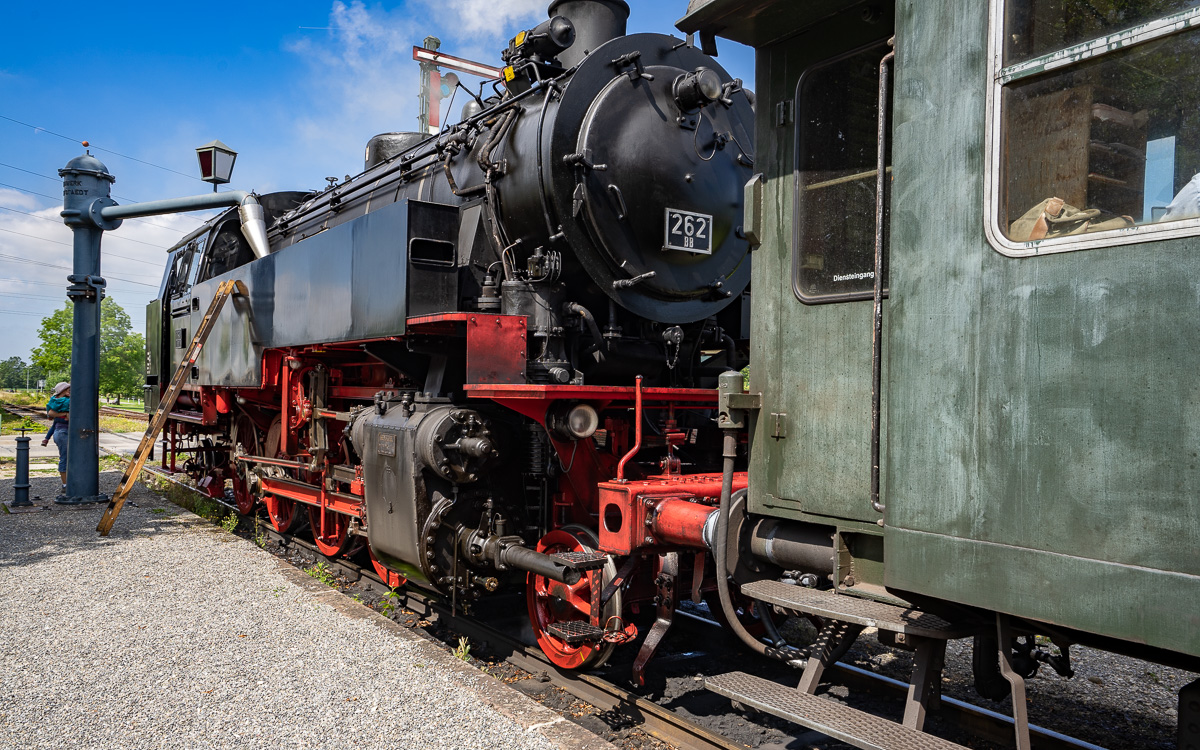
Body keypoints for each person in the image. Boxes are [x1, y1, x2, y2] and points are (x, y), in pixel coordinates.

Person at [44, 382, 70, 488]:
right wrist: (64, 414)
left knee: (69, 458)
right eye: (67, 389)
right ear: (62, 391)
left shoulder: (57, 402)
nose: (70, 390)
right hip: (63, 433)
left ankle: (68, 483)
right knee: (65, 458)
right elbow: (51, 414)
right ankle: (65, 485)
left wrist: (46, 438)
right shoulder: (61, 403)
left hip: (65, 433)